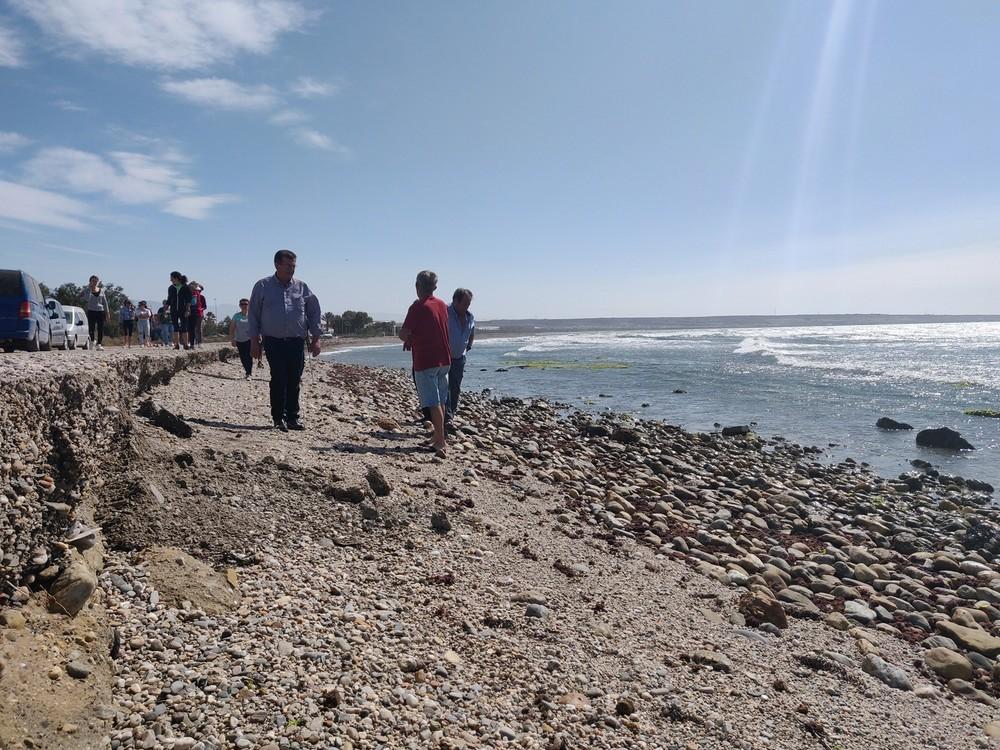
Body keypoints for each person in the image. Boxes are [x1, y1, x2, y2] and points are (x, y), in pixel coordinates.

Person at [247, 249, 322, 432]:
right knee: (279, 377)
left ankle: (292, 418)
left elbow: (314, 313)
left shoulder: (302, 287)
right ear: (277, 265)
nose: (291, 269)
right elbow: (254, 315)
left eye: (294, 265)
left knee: (294, 379)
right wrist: (254, 342)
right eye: (288, 265)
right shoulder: (262, 286)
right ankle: (278, 417)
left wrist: (316, 338)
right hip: (273, 341)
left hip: (296, 341)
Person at [399, 270, 451, 456]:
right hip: (444, 358)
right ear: (435, 287)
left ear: (417, 286)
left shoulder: (418, 307)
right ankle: (438, 435)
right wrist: (412, 337)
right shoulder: (442, 305)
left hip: (426, 360)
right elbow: (433, 328)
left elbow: (404, 332)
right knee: (441, 400)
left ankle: (440, 441)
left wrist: (407, 337)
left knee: (432, 401)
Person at [446, 288, 475, 420]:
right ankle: (444, 417)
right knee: (444, 388)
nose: (467, 307)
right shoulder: (445, 313)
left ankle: (451, 414)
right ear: (455, 301)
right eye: (465, 304)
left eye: (468, 304)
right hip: (444, 357)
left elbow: (472, 331)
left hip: (459, 358)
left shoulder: (470, 317)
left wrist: (468, 345)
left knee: (455, 388)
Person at [83, 275, 109, 351]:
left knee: (100, 328)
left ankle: (99, 344)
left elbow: (105, 302)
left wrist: (107, 313)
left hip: (100, 311)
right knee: (91, 328)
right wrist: (90, 289)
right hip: (91, 311)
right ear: (90, 282)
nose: (94, 282)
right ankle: (92, 341)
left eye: (96, 281)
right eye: (93, 281)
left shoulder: (101, 290)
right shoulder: (87, 290)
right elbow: (87, 299)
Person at [229, 298, 253, 380]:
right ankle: (247, 370)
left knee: (249, 356)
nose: (244, 306)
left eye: (245, 304)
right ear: (240, 305)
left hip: (250, 339)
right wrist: (232, 339)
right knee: (243, 357)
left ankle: (249, 372)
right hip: (239, 339)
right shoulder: (236, 316)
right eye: (242, 304)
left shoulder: (252, 315)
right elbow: (232, 328)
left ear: (249, 305)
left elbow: (257, 327)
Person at [167, 272, 191, 350]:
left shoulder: (185, 287)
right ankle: (176, 345)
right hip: (173, 310)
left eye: (172, 278)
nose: (170, 280)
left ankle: (186, 344)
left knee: (184, 327)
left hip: (183, 310)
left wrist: (187, 310)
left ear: (176, 278)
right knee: (175, 327)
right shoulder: (171, 288)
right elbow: (169, 299)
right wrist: (165, 308)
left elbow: (188, 300)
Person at [187, 281, 204, 349]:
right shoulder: (189, 293)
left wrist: (197, 284)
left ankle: (197, 343)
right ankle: (192, 343)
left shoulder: (197, 291)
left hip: (196, 312)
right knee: (191, 329)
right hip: (191, 312)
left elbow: (202, 288)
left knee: (197, 329)